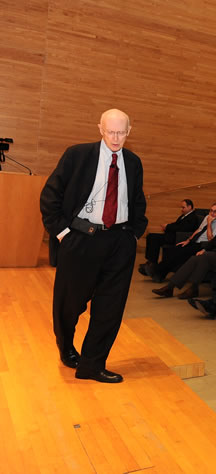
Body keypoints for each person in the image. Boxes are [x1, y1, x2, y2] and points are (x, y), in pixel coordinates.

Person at [40, 108, 147, 383]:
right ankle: (66, 347)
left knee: (110, 308)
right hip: (81, 240)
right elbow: (50, 196)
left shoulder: (133, 162)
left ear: (129, 131)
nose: (116, 138)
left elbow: (137, 201)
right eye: (110, 131)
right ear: (100, 128)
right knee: (70, 304)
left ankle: (92, 365)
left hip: (120, 241)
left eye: (121, 132)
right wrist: (63, 233)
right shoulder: (77, 155)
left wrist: (133, 235)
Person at [152, 203, 216, 300]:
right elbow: (215, 241)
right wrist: (204, 249)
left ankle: (181, 288)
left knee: (204, 257)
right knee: (197, 258)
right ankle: (175, 287)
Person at [139, 199, 199, 277]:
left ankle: (152, 263)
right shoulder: (184, 216)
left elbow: (183, 228)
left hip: (178, 237)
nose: (181, 209)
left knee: (154, 238)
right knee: (150, 236)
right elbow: (176, 224)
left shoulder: (193, 217)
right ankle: (150, 261)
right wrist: (167, 226)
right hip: (173, 235)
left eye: (183, 207)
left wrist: (168, 227)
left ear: (189, 207)